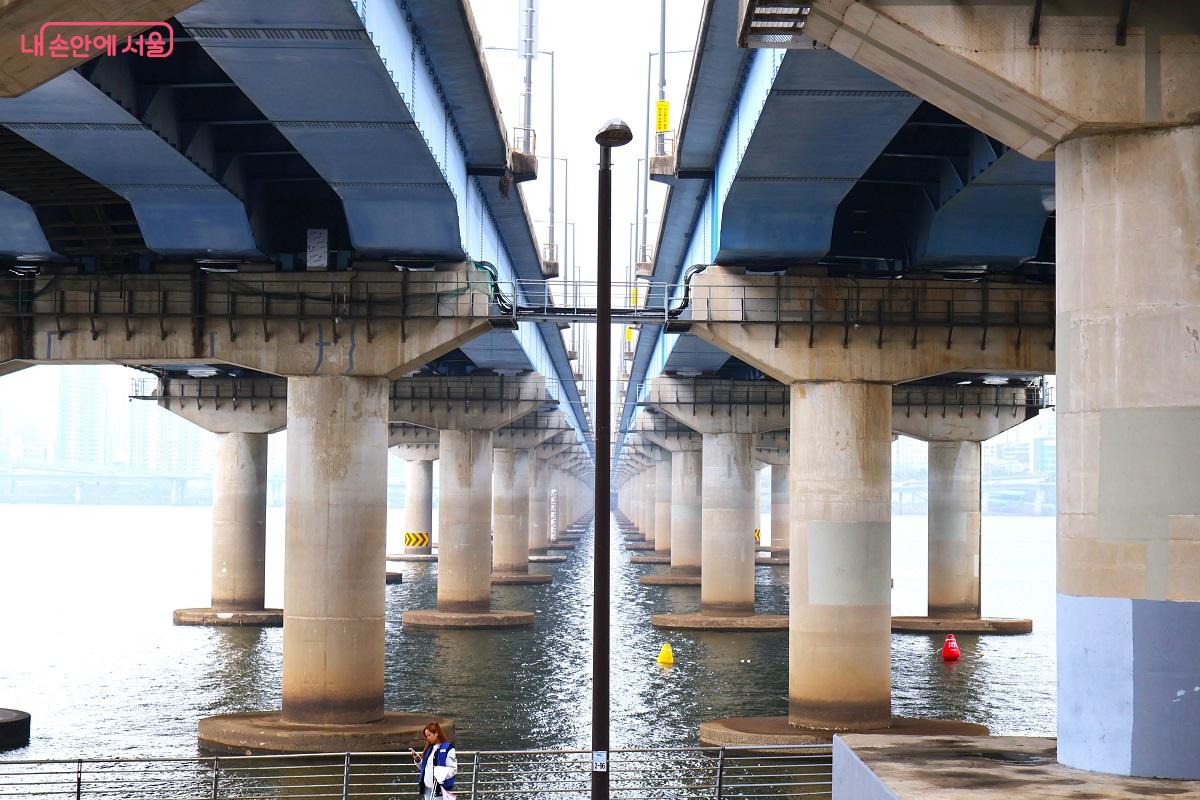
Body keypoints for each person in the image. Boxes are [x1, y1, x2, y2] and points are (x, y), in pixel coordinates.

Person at [412, 722, 457, 800]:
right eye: (426, 736)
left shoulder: (448, 748)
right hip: (427, 788)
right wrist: (418, 761)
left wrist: (440, 774)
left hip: (439, 789)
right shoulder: (429, 749)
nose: (428, 738)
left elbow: (453, 769)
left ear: (436, 733)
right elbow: (425, 768)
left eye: (429, 735)